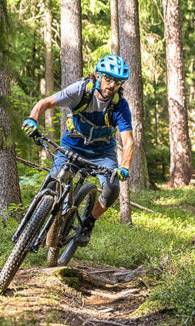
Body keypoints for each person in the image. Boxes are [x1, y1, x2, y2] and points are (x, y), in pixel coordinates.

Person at [21, 54, 134, 246]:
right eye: (108, 78)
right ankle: (39, 223)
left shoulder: (119, 105)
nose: (111, 85)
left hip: (102, 153)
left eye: (117, 81)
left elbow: (128, 141)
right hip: (72, 144)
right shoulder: (81, 90)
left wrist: (124, 167)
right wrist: (32, 120)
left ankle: (88, 224)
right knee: (54, 182)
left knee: (113, 188)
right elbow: (45, 103)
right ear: (98, 75)